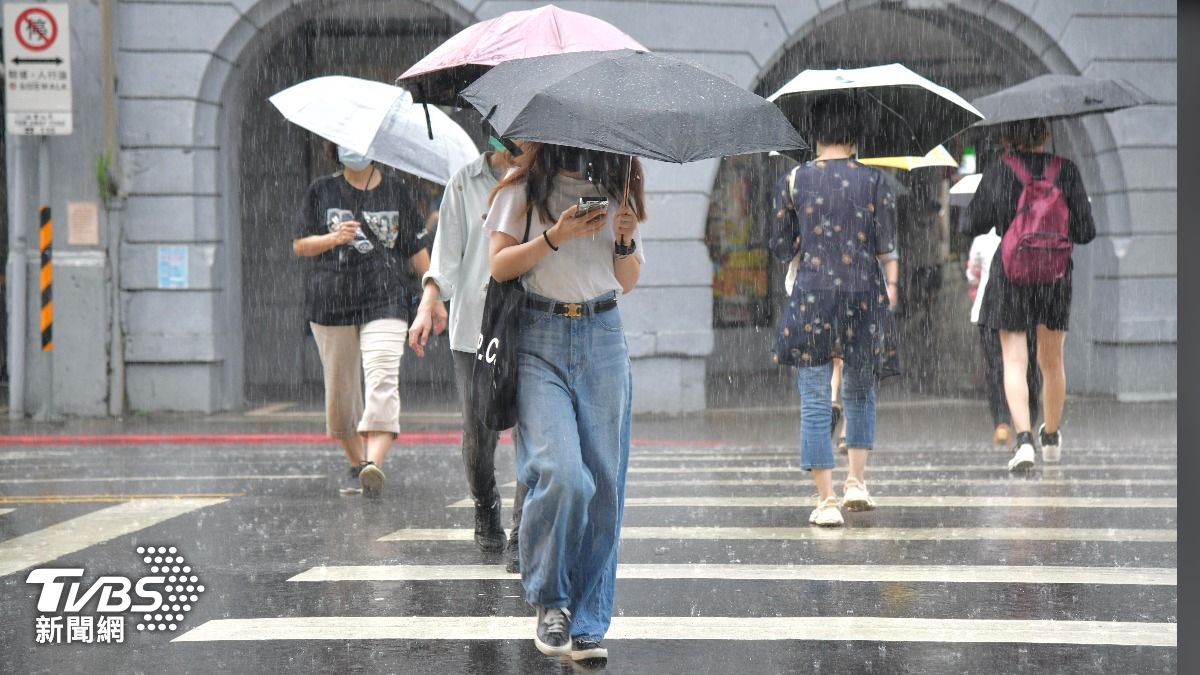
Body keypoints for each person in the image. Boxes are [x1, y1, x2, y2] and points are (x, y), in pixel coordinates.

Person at [485, 141, 644, 663]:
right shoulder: (523, 189)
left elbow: (627, 280)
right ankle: (551, 600)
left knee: (604, 489)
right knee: (562, 473)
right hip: (539, 337)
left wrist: (623, 239)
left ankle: (589, 622)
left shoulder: (619, 185)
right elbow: (500, 265)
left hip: (602, 335)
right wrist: (555, 236)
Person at [770, 92, 899, 528]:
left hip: (813, 294)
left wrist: (809, 230)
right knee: (860, 390)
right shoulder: (876, 181)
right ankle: (857, 483)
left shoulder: (793, 181)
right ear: (855, 135)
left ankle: (825, 502)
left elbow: (780, 246)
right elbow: (885, 245)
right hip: (864, 293)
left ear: (814, 134)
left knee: (813, 397)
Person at [409, 143, 530, 572]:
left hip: (529, 325)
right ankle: (485, 502)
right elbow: (445, 257)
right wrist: (429, 302)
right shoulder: (464, 181)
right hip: (473, 330)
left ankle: (523, 532)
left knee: (531, 436)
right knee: (479, 436)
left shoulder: (541, 177)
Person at [292, 144, 430, 496]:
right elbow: (300, 245)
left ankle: (373, 465)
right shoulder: (321, 190)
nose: (354, 149)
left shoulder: (396, 190)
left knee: (383, 376)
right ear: (334, 148)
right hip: (331, 299)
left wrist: (435, 297)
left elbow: (416, 251)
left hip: (385, 296)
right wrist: (333, 237)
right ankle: (357, 464)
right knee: (341, 396)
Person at [965, 118, 1095, 471]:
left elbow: (970, 224)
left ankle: (1023, 441)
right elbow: (1086, 232)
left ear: (1008, 136)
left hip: (1011, 274)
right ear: (1046, 134)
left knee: (1015, 360)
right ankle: (1050, 435)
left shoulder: (999, 171)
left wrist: (1006, 215)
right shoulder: (1065, 170)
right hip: (1055, 277)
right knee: (1052, 362)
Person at [966, 227, 1041, 446]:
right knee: (1027, 366)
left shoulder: (981, 240)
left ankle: (1001, 422)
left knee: (996, 367)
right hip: (1024, 309)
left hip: (988, 310)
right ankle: (1028, 421)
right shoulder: (1028, 232)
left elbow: (972, 275)